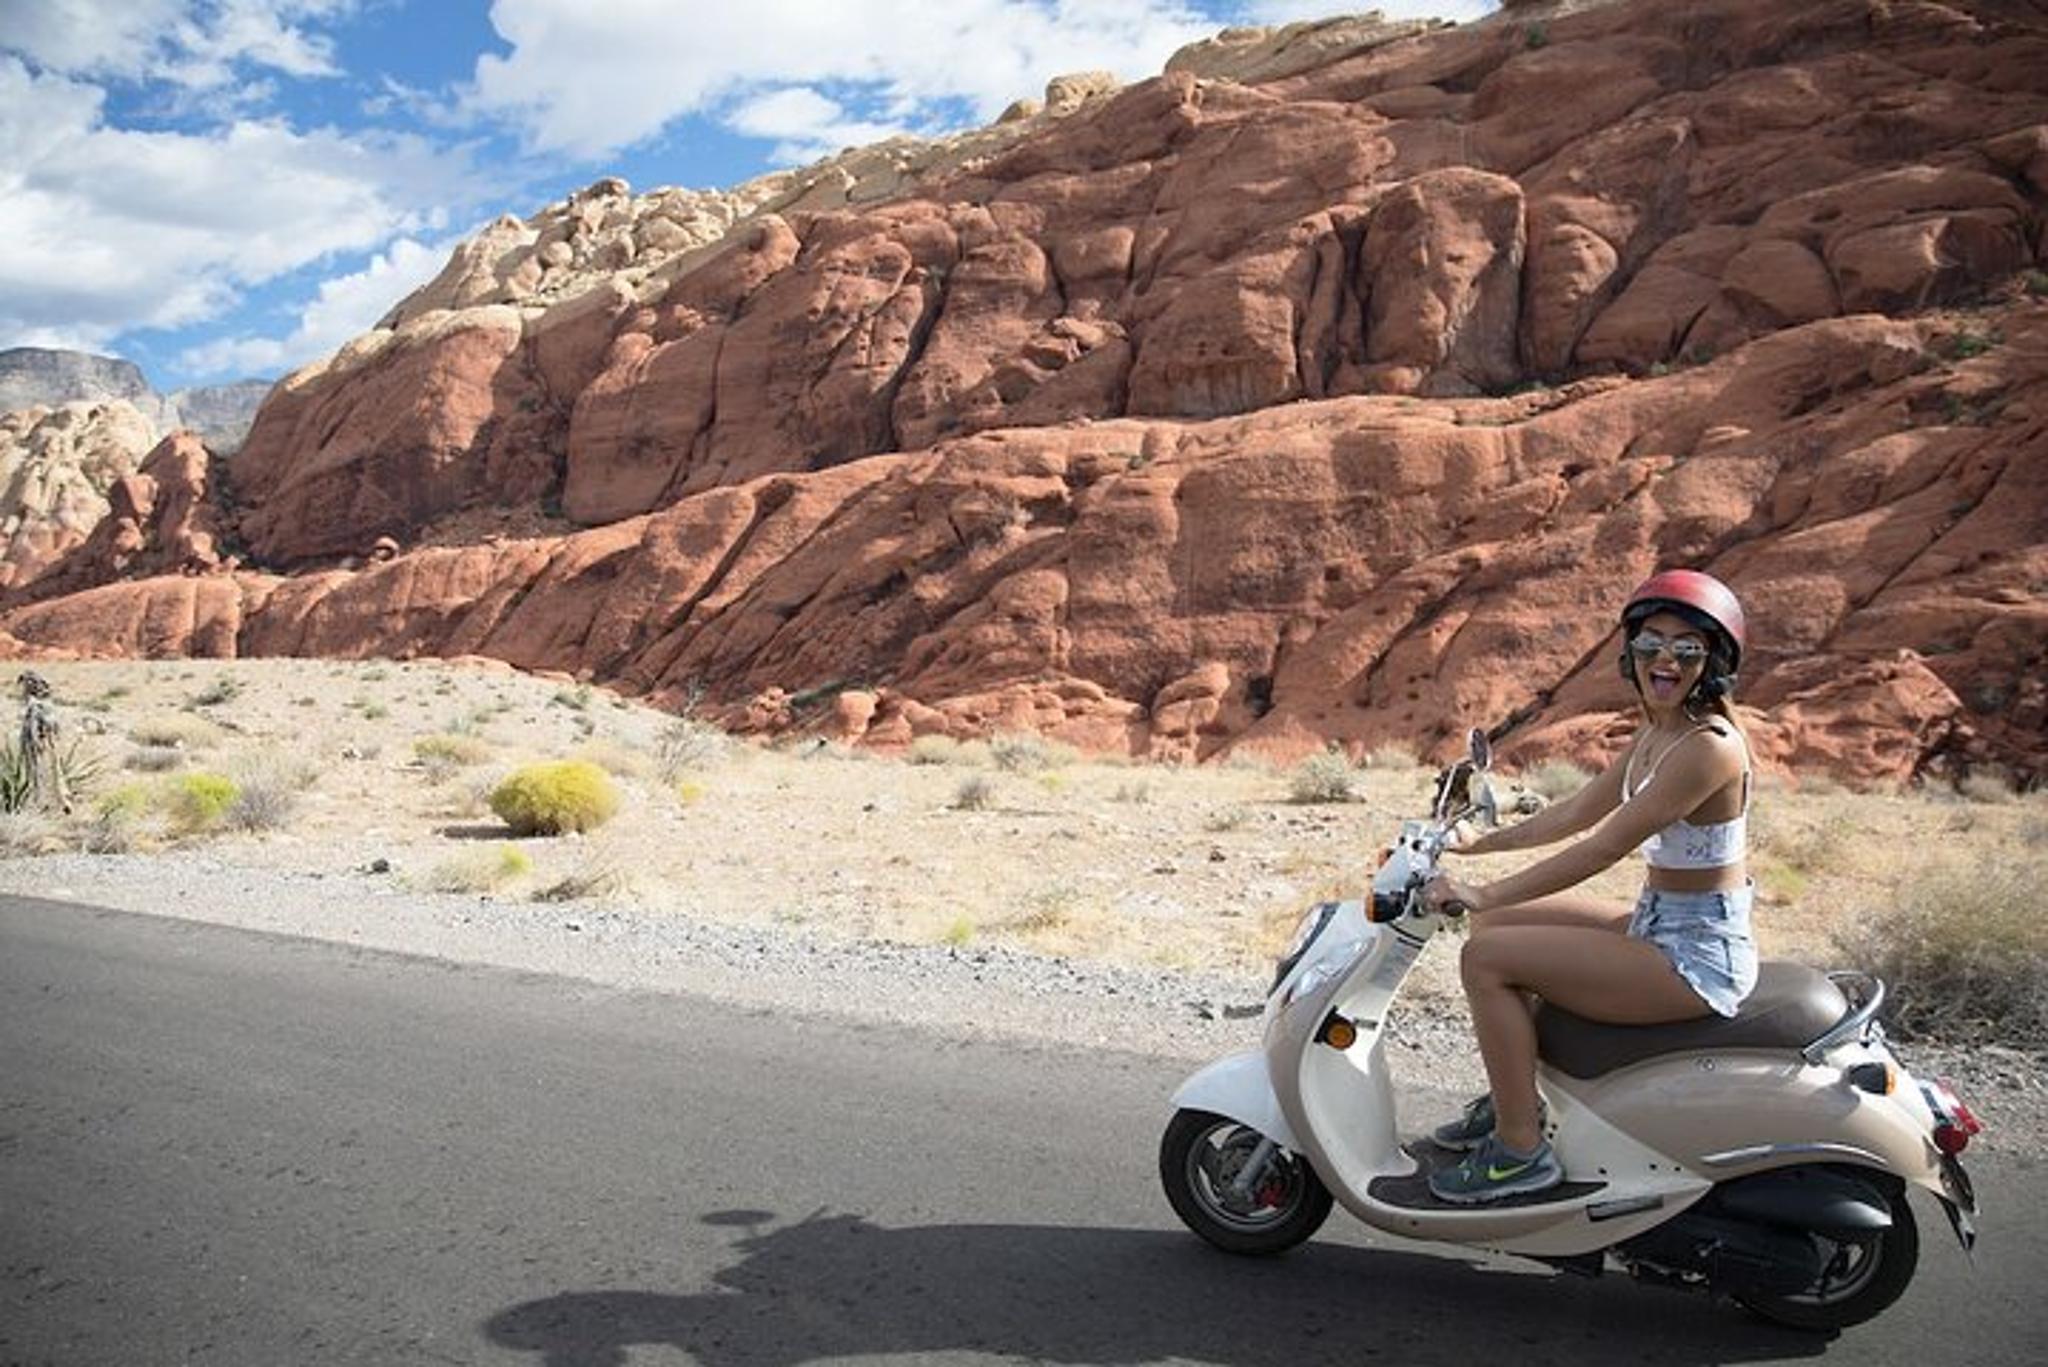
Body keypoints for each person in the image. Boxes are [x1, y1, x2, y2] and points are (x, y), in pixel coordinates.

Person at [1417, 569, 1758, 1204]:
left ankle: (1519, 1152)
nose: (1665, 659)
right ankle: (1516, 1099)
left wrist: (1482, 891)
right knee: (1497, 927)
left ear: (1713, 662)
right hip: (1658, 921)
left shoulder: (1709, 747)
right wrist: (1477, 846)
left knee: (1484, 956)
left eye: (1687, 649)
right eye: (1651, 643)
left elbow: (1602, 846)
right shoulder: (1660, 730)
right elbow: (1576, 812)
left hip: (1695, 955)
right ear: (1630, 651)